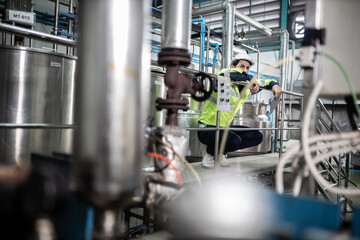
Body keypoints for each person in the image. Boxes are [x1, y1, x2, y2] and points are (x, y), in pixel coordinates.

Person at [197, 51, 282, 168]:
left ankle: (220, 153)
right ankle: (210, 153)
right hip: (206, 128)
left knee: (257, 136)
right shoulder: (223, 74)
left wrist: (275, 85)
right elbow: (233, 74)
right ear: (232, 66)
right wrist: (251, 78)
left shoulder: (246, 86)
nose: (245, 70)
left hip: (224, 127)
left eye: (248, 68)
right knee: (234, 140)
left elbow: (265, 82)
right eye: (242, 66)